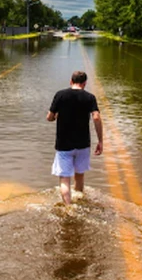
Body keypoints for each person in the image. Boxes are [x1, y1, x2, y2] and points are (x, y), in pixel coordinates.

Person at [46, 71, 103, 204]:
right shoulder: (90, 97)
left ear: (71, 81)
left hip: (64, 145)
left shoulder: (60, 95)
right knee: (80, 176)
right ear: (84, 83)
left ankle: (69, 207)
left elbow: (49, 117)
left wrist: (54, 116)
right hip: (83, 144)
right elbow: (96, 117)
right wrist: (100, 141)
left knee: (65, 179)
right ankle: (79, 200)